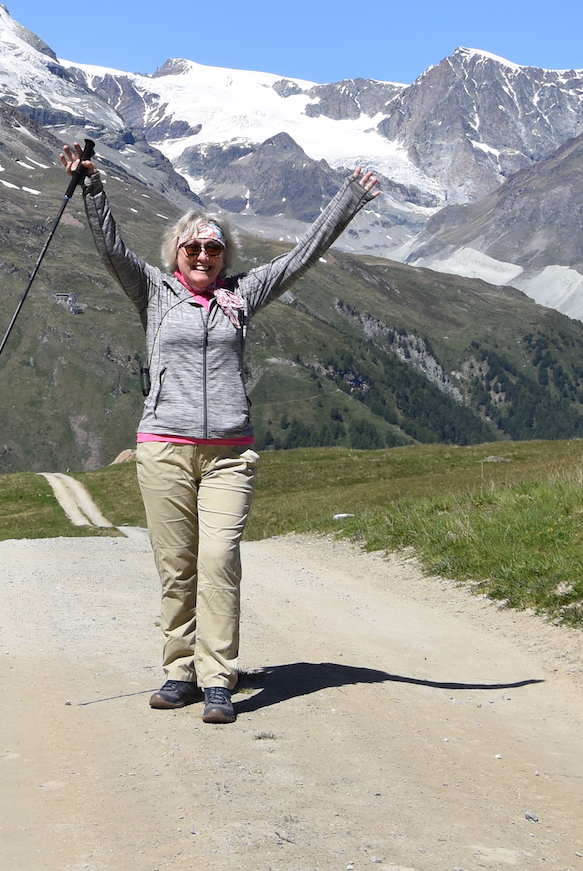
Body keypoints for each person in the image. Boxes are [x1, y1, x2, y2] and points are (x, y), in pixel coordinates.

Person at [60, 141, 381, 724]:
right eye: (194, 247)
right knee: (176, 565)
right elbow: (110, 248)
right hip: (164, 449)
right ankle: (177, 672)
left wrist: (349, 200)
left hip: (231, 454)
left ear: (224, 255)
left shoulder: (242, 295)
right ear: (177, 254)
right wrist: (92, 186)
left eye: (214, 247)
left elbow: (301, 257)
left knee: (219, 560)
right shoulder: (152, 293)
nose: (204, 254)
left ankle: (217, 677)